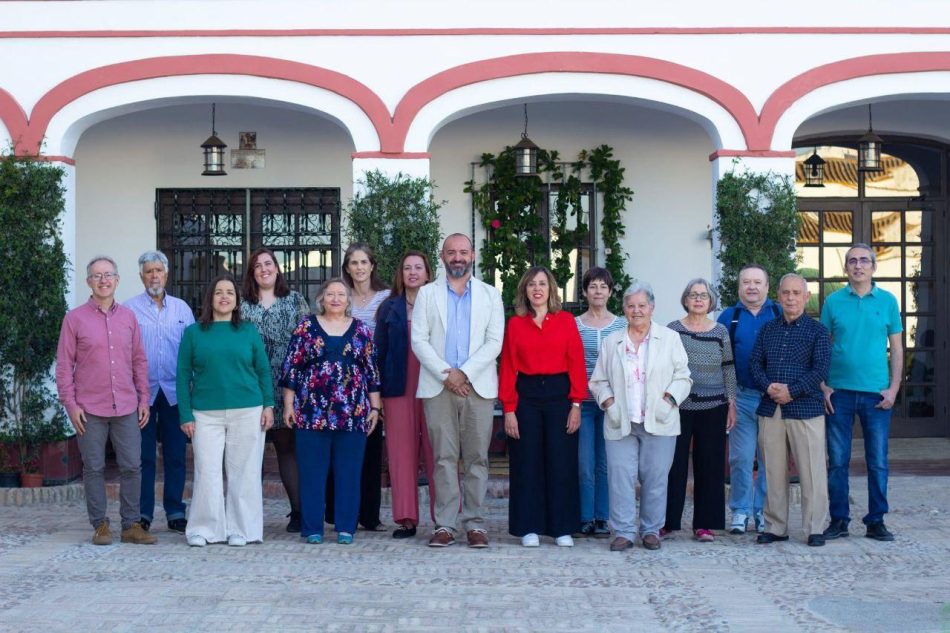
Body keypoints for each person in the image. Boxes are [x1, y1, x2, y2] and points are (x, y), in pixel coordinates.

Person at [411, 233, 505, 548]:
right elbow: (419, 340)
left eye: (463, 252)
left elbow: (495, 341)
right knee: (443, 457)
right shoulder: (426, 294)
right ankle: (445, 525)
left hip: (477, 386)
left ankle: (475, 523)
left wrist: (463, 372)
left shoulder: (491, 295)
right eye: (451, 252)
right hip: (439, 387)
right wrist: (447, 374)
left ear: (473, 256)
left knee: (477, 457)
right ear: (442, 257)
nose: (457, 257)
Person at [55, 255, 156, 545]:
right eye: (97, 276)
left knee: (132, 466)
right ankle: (100, 525)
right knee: (94, 468)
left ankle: (131, 525)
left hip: (126, 406)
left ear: (117, 280)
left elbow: (139, 361)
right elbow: (64, 366)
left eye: (108, 275)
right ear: (89, 282)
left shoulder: (128, 318)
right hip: (89, 410)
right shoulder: (74, 319)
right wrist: (71, 406)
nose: (103, 280)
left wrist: (144, 399)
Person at [589, 281, 691, 552]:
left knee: (656, 477)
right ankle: (622, 531)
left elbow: (683, 377)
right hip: (620, 419)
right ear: (624, 309)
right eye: (631, 306)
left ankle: (650, 530)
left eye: (641, 306)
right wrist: (609, 403)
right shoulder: (613, 341)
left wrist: (668, 401)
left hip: (660, 420)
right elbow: (598, 380)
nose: (636, 311)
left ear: (652, 308)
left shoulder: (670, 339)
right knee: (620, 477)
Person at [279, 278, 382, 545]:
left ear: (348, 300)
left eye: (341, 294)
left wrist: (375, 408)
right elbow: (291, 368)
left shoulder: (361, 331)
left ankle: (346, 526)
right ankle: (313, 527)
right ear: (321, 299)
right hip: (311, 412)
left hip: (353, 413)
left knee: (349, 472)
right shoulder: (305, 327)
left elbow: (371, 372)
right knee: (312, 472)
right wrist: (288, 405)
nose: (335, 299)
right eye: (330, 294)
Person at [177, 275, 274, 547]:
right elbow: (182, 375)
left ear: (236, 299)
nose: (224, 297)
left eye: (229, 292)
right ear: (210, 298)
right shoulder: (194, 333)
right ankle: (204, 529)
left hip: (248, 410)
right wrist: (185, 414)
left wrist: (269, 404)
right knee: (207, 472)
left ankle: (241, 530)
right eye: (218, 292)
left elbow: (263, 369)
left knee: (244, 473)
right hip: (205, 413)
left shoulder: (248, 331)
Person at [821, 243, 903, 542]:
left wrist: (893, 389)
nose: (858, 266)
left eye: (864, 261)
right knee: (838, 461)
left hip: (876, 395)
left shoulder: (889, 301)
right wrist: (823, 386)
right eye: (852, 261)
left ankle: (876, 520)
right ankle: (839, 520)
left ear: (873, 267)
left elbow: (896, 348)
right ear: (846, 267)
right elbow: (822, 347)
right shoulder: (833, 302)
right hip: (839, 392)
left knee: (878, 461)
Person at [500, 266, 587, 547]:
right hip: (525, 396)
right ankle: (529, 527)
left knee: (561, 461)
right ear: (524, 290)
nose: (537, 289)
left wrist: (576, 403)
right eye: (531, 285)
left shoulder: (566, 321)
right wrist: (509, 409)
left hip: (559, 395)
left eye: (542, 284)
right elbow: (509, 367)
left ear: (551, 289)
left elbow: (576, 362)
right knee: (527, 461)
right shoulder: (515, 324)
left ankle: (562, 527)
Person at [750, 273, 831, 547]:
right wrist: (769, 386)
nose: (791, 298)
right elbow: (755, 365)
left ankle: (814, 527)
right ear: (778, 296)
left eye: (797, 293)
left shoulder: (818, 331)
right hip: (771, 409)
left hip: (806, 410)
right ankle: (775, 526)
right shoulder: (768, 330)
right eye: (786, 293)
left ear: (806, 297)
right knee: (772, 471)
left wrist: (791, 391)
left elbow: (820, 369)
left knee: (812, 471)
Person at [240, 248, 310, 533]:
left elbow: (307, 342)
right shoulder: (241, 304)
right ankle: (245, 515)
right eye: (257, 266)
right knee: (246, 452)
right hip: (249, 383)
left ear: (278, 268)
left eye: (268, 264)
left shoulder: (294, 300)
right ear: (251, 273)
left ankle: (298, 511)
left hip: (287, 386)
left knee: (286, 447)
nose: (264, 269)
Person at [126, 250, 194, 534]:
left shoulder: (182, 309)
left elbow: (192, 351)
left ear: (167, 274)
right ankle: (143, 513)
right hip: (141, 393)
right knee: (143, 456)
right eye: (149, 271)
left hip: (174, 393)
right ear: (141, 276)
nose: (154, 276)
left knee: (176, 454)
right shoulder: (128, 309)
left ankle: (175, 510)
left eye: (159, 271)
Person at [664, 278, 737, 542]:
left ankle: (705, 524)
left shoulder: (720, 332)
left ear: (711, 302)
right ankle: (667, 523)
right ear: (685, 299)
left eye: (703, 295)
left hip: (714, 406)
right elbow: (664, 366)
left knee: (710, 465)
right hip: (679, 406)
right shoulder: (672, 330)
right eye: (693, 295)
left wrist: (731, 401)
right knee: (673, 465)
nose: (698, 299)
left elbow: (728, 367)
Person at [326, 243, 390, 531]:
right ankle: (337, 513)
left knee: (371, 445)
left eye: (364, 261)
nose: (359, 268)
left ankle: (369, 515)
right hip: (339, 385)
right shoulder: (339, 295)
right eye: (353, 263)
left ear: (372, 265)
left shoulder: (387, 297)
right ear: (347, 267)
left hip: (373, 381)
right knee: (337, 449)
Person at [375, 251, 436, 539]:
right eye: (407, 268)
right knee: (401, 453)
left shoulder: (440, 302)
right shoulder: (389, 308)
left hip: (436, 385)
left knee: (439, 451)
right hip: (398, 387)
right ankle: (406, 517)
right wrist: (377, 393)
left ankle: (445, 517)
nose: (412, 272)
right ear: (401, 273)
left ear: (428, 273)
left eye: (418, 268)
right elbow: (379, 352)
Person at [717, 264, 781, 534]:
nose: (752, 287)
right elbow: (717, 358)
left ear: (767, 286)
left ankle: (764, 512)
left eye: (757, 282)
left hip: (773, 399)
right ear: (739, 287)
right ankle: (740, 511)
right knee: (741, 458)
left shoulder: (779, 313)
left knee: (769, 459)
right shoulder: (728, 317)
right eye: (746, 282)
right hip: (740, 397)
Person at [573, 267, 625, 538]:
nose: (598, 291)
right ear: (584, 291)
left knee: (605, 463)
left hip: (611, 403)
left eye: (603, 287)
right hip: (583, 401)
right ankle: (585, 517)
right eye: (592, 286)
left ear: (610, 292)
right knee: (584, 462)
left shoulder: (621, 325)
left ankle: (603, 517)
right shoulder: (575, 324)